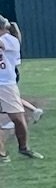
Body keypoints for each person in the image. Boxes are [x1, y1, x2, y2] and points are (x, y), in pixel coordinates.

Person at [0, 19, 41, 161]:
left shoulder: (10, 40)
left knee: (18, 119)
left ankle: (23, 148)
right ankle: (2, 154)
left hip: (5, 84)